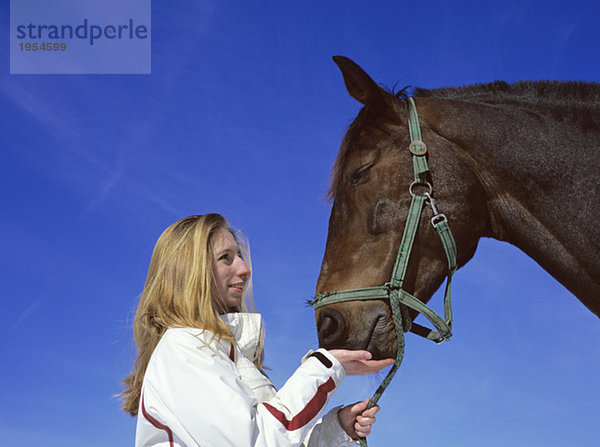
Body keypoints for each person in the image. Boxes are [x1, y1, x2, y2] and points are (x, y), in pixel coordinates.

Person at [120, 214, 393, 446]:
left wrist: (335, 430)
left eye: (239, 255)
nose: (245, 268)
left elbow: (270, 436)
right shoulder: (183, 349)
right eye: (225, 258)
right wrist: (324, 366)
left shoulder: (227, 357)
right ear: (189, 271)